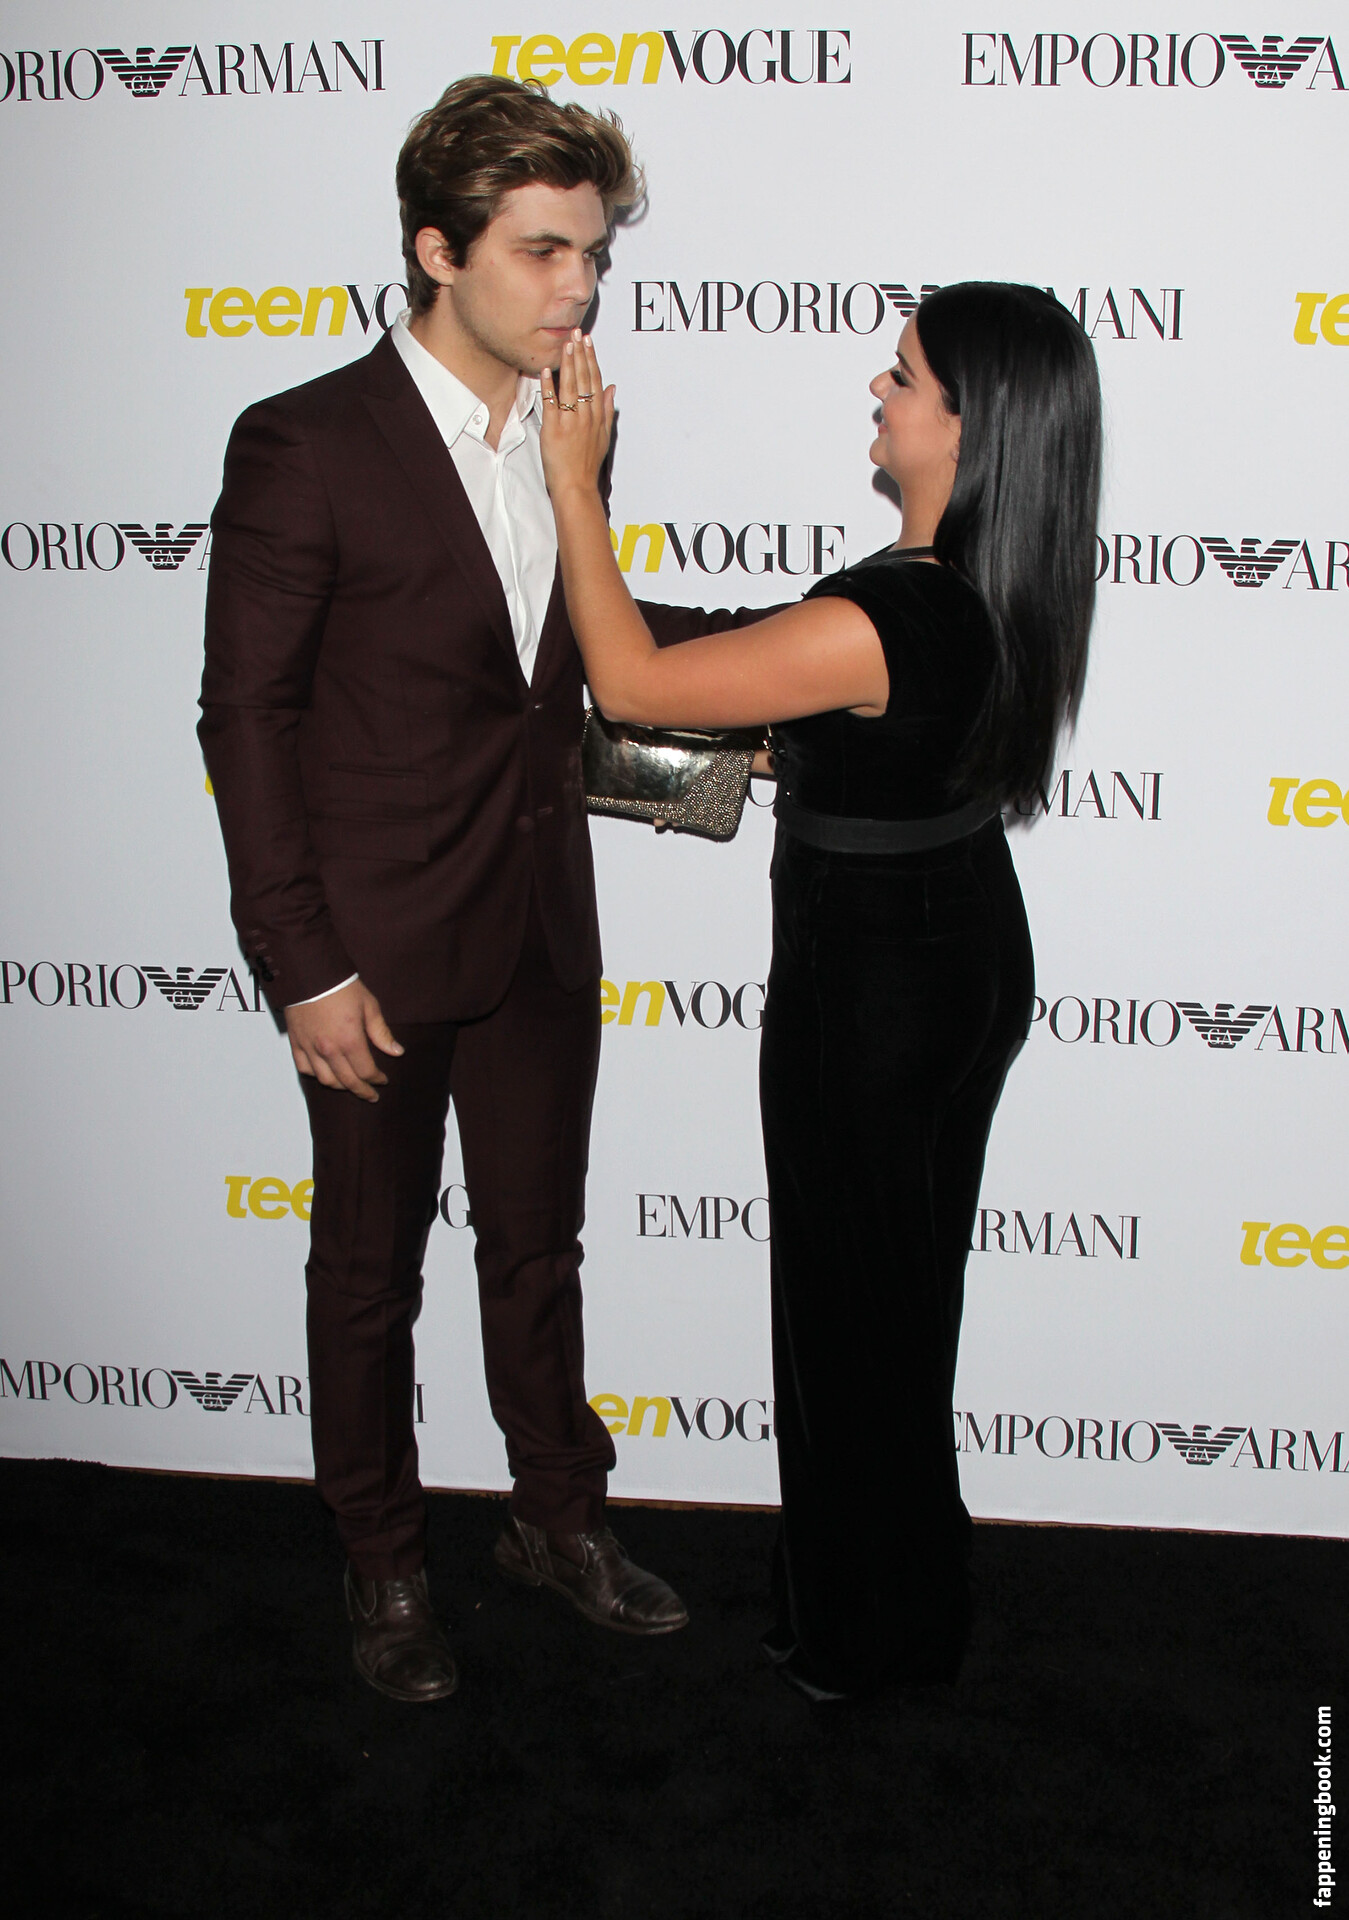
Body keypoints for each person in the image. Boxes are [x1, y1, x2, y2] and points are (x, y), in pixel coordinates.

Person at [199, 75, 752, 1705]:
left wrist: (812, 665)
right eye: (542, 252)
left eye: (591, 254)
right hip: (369, 949)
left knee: (536, 1246)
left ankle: (555, 1518)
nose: (579, 288)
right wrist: (301, 966)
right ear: (436, 252)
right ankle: (381, 1559)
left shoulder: (567, 432)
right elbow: (247, 717)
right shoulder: (306, 440)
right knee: (368, 1273)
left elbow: (564, 665)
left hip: (536, 925)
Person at [537, 285, 1102, 1701]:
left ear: (967, 426)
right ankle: (901, 1600)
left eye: (902, 376)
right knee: (897, 1305)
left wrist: (573, 486)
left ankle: (866, 1637)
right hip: (953, 951)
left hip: (876, 988)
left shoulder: (889, 611)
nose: (876, 388)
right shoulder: (978, 583)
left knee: (849, 1314)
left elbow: (631, 682)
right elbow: (836, 729)